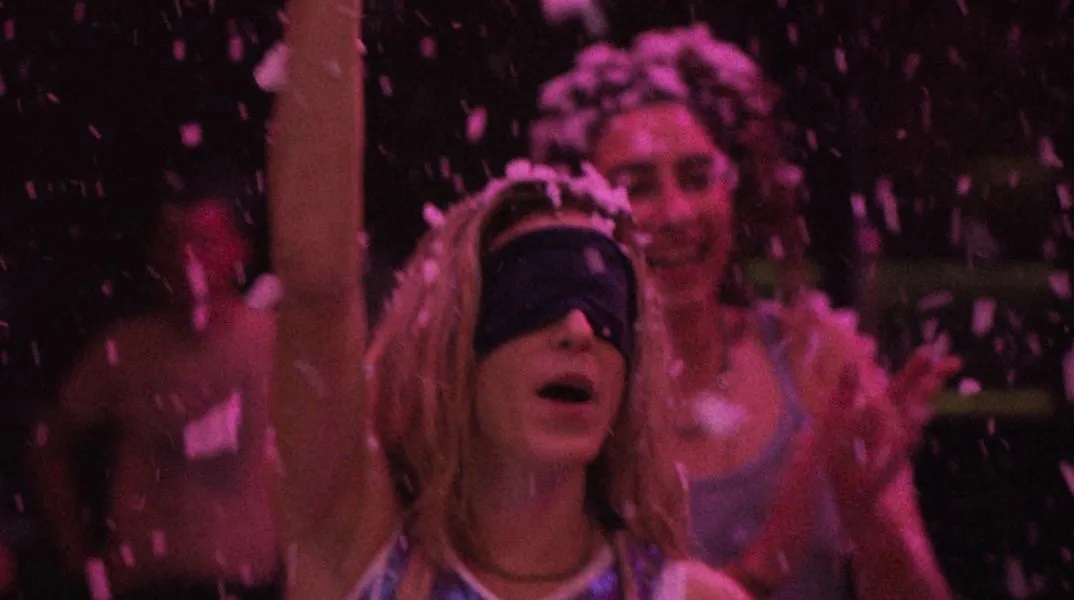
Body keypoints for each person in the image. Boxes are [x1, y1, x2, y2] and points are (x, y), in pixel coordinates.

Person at [533, 24, 962, 600]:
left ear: (736, 188)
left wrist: (867, 513)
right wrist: (765, 562)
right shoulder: (557, 384)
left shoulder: (816, 359)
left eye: (696, 178)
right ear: (583, 213)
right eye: (638, 187)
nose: (676, 214)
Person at [31, 185, 280, 599]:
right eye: (173, 242)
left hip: (250, 582)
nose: (188, 256)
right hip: (148, 583)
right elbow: (49, 444)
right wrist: (79, 556)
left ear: (240, 250)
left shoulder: (276, 343)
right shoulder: (125, 349)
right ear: (154, 256)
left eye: (204, 241)